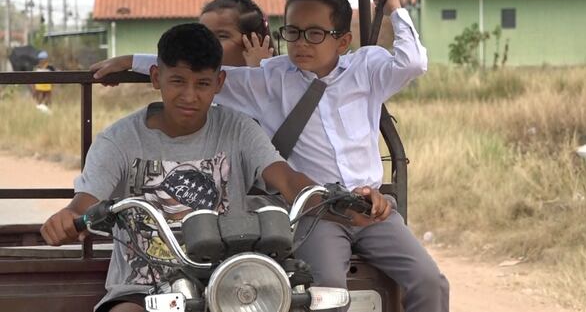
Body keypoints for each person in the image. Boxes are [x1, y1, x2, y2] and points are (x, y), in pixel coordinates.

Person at [91, 0, 449, 312]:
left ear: (342, 42)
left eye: (314, 34)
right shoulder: (270, 78)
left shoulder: (367, 68)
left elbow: (413, 62)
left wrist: (394, 10)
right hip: (315, 212)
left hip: (370, 207)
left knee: (431, 282)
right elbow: (193, 75)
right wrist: (130, 62)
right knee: (326, 294)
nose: (301, 43)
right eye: (292, 32)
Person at [43, 23, 389, 312]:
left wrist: (340, 203)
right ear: (155, 77)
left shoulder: (238, 129)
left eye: (203, 84)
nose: (189, 96)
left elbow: (287, 178)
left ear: (219, 84)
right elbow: (87, 202)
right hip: (142, 289)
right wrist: (70, 219)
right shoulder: (119, 139)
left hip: (233, 282)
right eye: (177, 81)